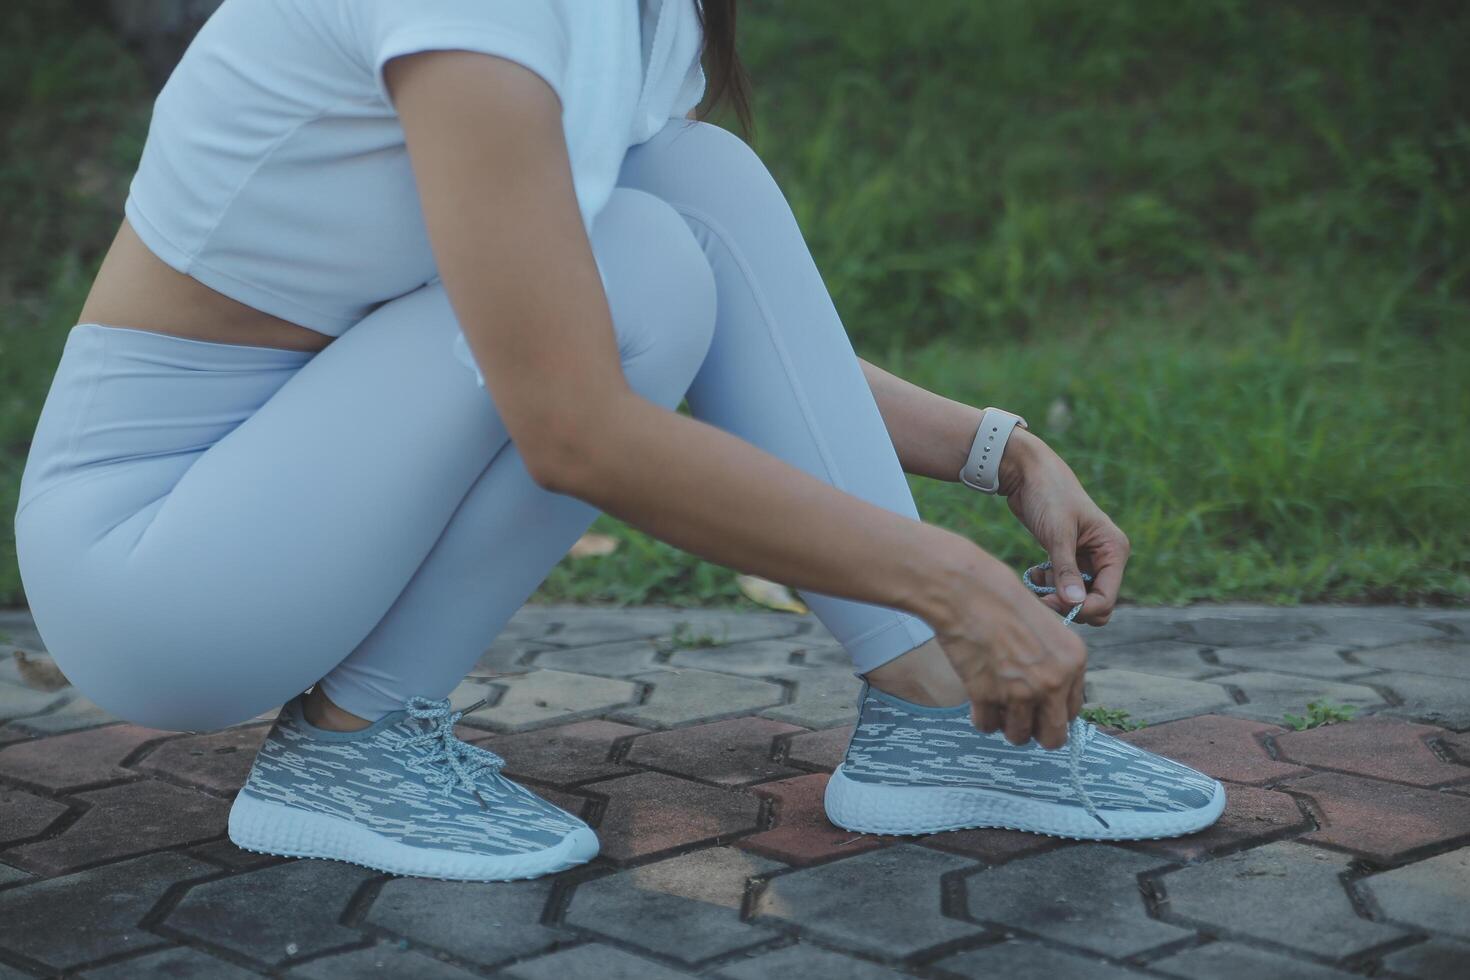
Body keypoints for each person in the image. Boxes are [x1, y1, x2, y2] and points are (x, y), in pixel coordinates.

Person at [11, 0, 1224, 882]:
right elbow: (574, 417)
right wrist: (948, 576)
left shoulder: (632, 20)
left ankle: (930, 714)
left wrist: (999, 450)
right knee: (642, 260)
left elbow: (689, 324)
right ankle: (352, 748)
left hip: (298, 483)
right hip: (155, 565)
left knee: (697, 179)